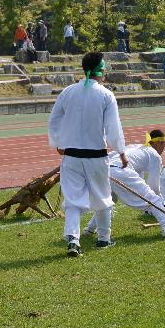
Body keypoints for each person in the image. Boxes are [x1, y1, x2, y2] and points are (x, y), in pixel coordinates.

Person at [48, 52, 126, 256]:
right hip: (96, 156)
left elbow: (54, 119)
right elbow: (113, 128)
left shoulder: (68, 92)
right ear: (100, 70)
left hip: (71, 156)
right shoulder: (106, 95)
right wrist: (121, 151)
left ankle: (73, 239)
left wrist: (58, 142)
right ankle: (104, 239)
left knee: (73, 199)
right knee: (102, 197)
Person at [84, 130, 165, 238]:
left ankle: (89, 230)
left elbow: (111, 155)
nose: (163, 149)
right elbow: (154, 187)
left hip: (105, 170)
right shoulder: (154, 155)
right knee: (154, 199)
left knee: (108, 201)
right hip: (120, 170)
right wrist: (161, 202)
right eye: (163, 145)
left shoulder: (135, 147)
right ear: (158, 143)